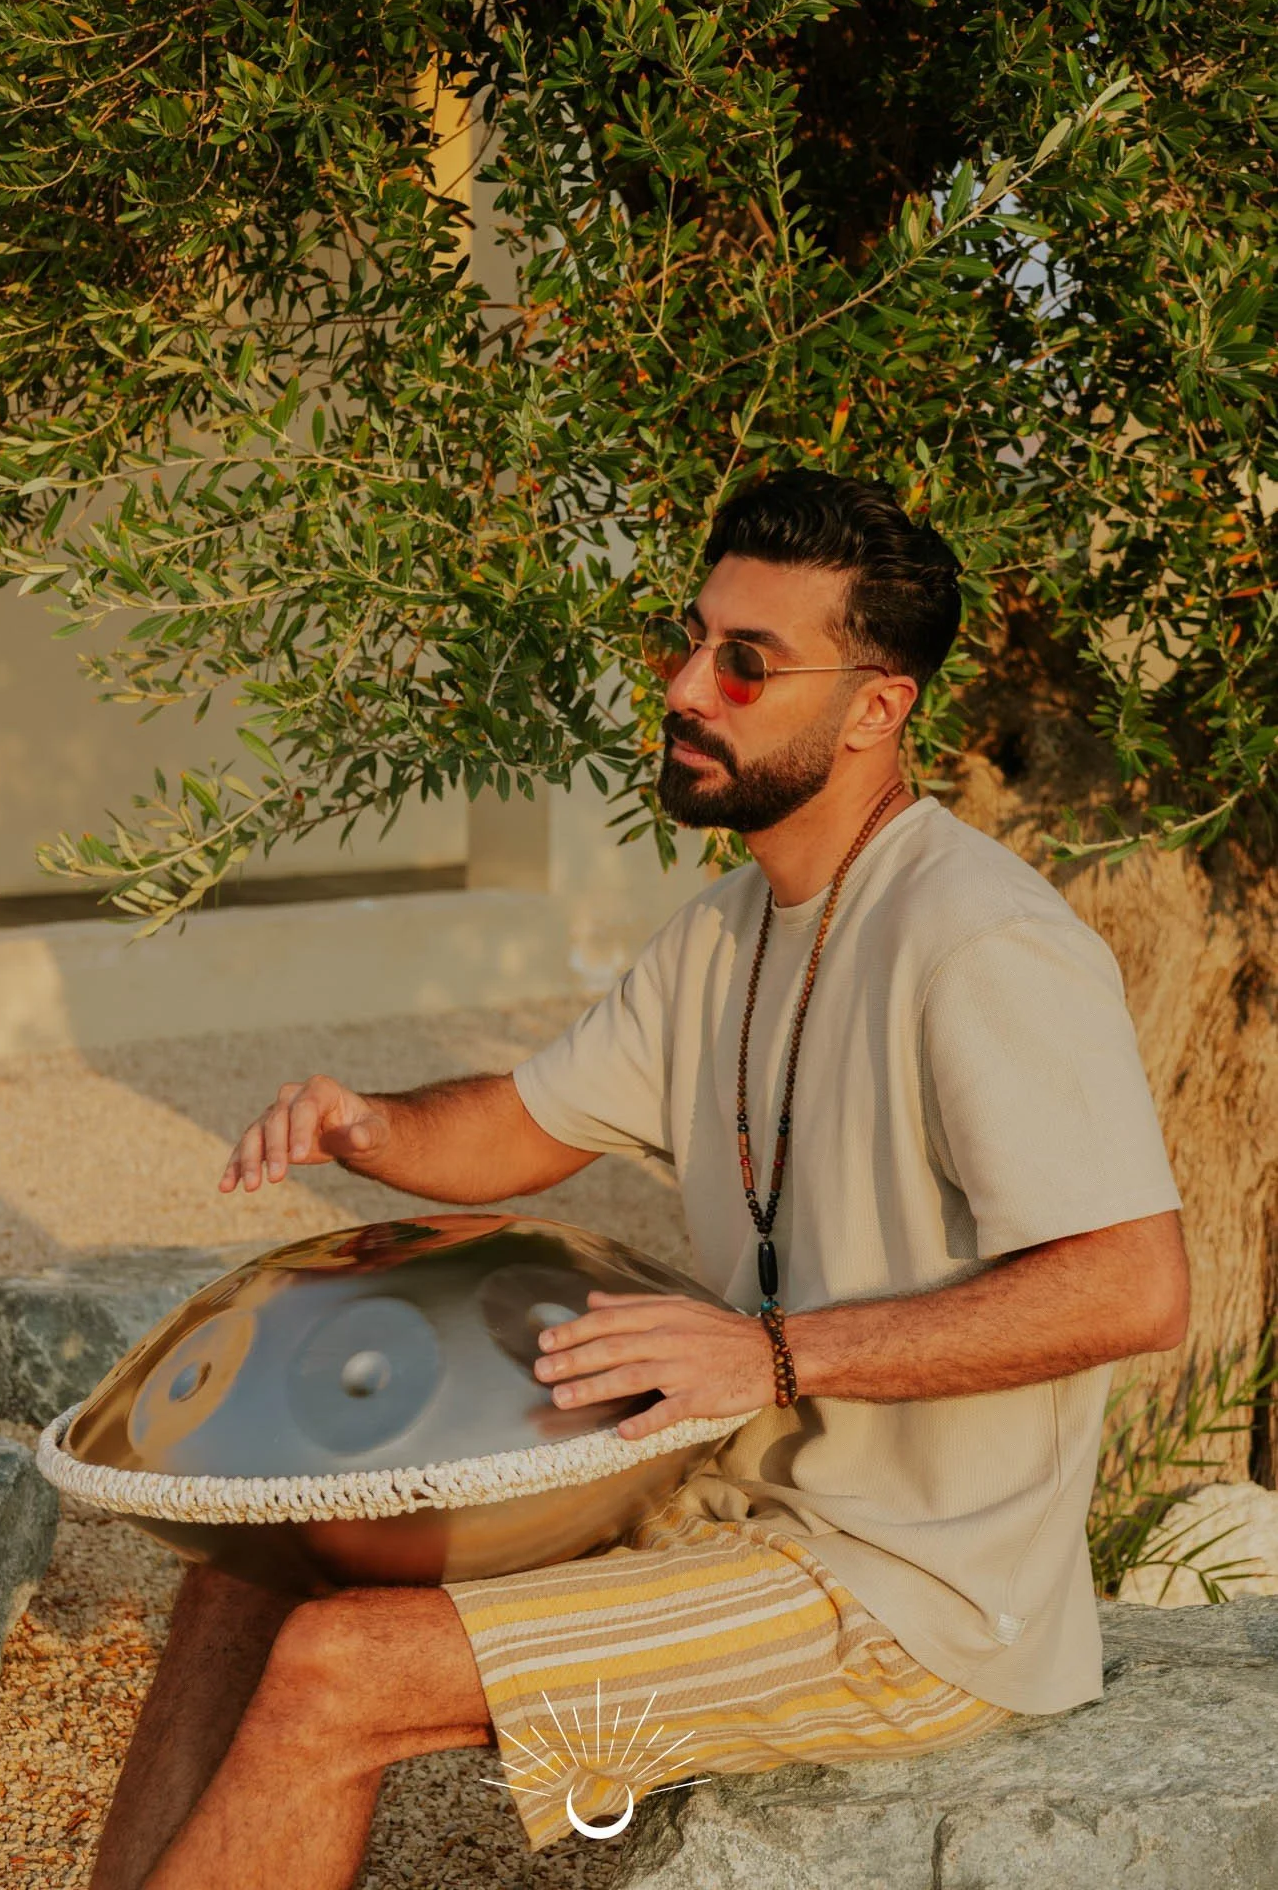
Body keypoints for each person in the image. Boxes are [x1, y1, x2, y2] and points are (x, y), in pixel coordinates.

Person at [92, 468, 1190, 1890]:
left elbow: (1134, 1285)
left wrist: (770, 1356)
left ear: (876, 708)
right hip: (739, 1505)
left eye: (747, 663)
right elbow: (519, 1126)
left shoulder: (981, 943)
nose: (686, 687)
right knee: (251, 1571)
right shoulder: (725, 934)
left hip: (917, 1599)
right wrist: (363, 1122)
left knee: (342, 1666)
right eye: (691, 642)